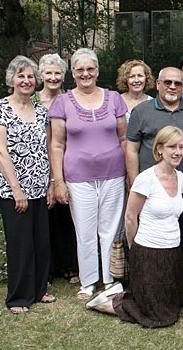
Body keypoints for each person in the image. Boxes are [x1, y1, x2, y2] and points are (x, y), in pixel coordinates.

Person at [85, 126, 183, 328]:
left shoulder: (181, 178)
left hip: (172, 251)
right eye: (171, 147)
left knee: (176, 302)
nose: (177, 152)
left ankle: (120, 293)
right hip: (147, 250)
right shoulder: (145, 179)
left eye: (181, 147)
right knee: (160, 317)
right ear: (159, 149)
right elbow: (131, 217)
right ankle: (107, 303)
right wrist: (136, 251)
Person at [49, 48, 128, 300]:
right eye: (80, 69)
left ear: (97, 71)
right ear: (72, 73)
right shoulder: (61, 102)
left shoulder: (114, 98)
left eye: (90, 69)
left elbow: (124, 138)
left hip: (113, 173)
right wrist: (58, 181)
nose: (85, 74)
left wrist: (129, 173)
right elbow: (57, 145)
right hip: (77, 177)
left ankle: (109, 278)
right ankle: (89, 280)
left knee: (110, 229)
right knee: (84, 229)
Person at [126, 67, 183, 286]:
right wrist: (133, 180)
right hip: (150, 190)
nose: (172, 87)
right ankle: (145, 278)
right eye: (167, 82)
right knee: (150, 237)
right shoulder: (141, 111)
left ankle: (178, 282)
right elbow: (131, 149)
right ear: (157, 84)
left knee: (179, 236)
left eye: (177, 83)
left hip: (182, 186)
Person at [0, 55, 56, 314]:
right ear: (11, 79)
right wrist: (16, 190)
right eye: (20, 76)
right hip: (14, 190)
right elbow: (1, 151)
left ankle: (39, 289)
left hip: (40, 187)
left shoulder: (41, 111)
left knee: (40, 241)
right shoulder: (2, 108)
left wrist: (51, 184)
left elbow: (46, 148)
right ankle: (18, 297)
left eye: (30, 76)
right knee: (20, 243)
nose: (26, 80)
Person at [33, 53, 79, 285]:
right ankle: (47, 268)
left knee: (67, 216)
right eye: (48, 73)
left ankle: (69, 266)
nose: (53, 77)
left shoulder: (71, 99)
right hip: (38, 166)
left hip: (68, 163)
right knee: (45, 218)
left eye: (57, 73)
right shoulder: (31, 100)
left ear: (64, 75)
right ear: (41, 75)